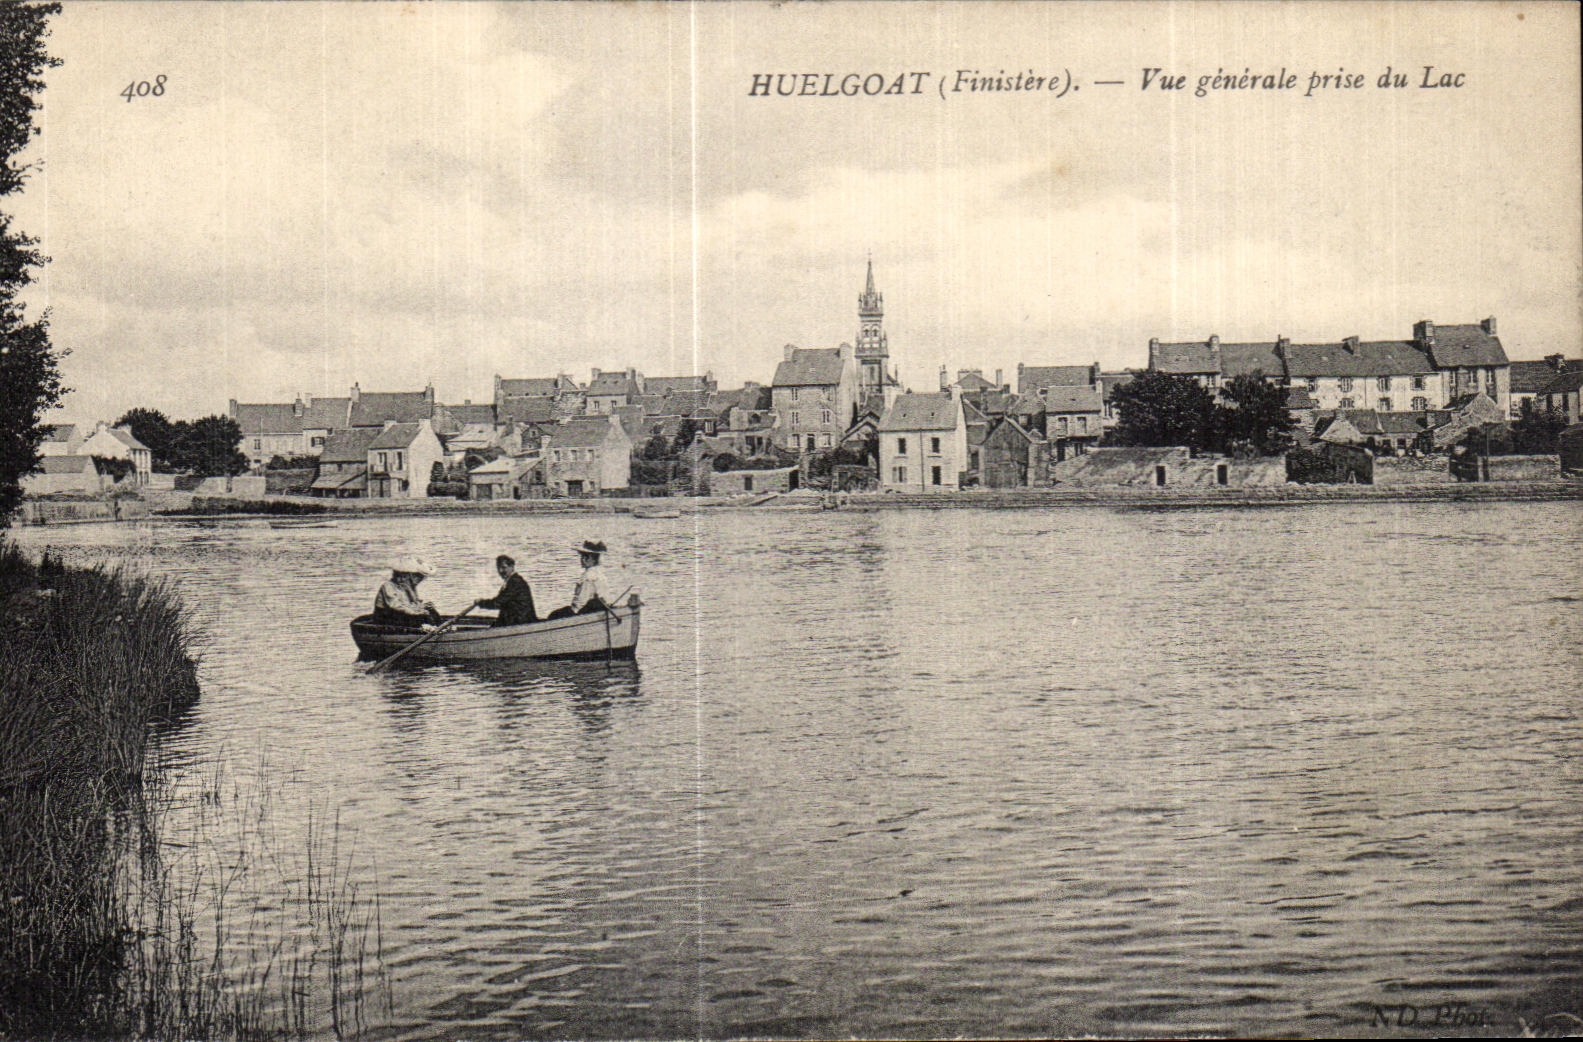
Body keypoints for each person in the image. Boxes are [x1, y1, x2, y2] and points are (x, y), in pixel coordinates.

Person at [547, 540, 610, 619]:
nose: (583, 559)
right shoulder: (600, 573)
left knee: (553, 615)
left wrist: (572, 612)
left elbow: (580, 603)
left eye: (586, 557)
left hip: (582, 612)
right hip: (596, 609)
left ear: (594, 559)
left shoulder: (588, 576)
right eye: (582, 556)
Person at [373, 557, 441, 630]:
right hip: (386, 617)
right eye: (400, 577)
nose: (403, 579)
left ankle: (438, 629)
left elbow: (413, 603)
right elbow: (396, 606)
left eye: (405, 577)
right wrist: (415, 613)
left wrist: (423, 606)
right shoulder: (387, 586)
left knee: (431, 611)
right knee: (417, 618)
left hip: (400, 613)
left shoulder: (408, 587)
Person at [474, 554, 538, 627]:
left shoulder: (515, 582)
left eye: (504, 567)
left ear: (512, 567)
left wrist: (481, 603)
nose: (500, 571)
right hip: (516, 620)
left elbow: (498, 603)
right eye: (498, 568)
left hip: (521, 622)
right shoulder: (512, 581)